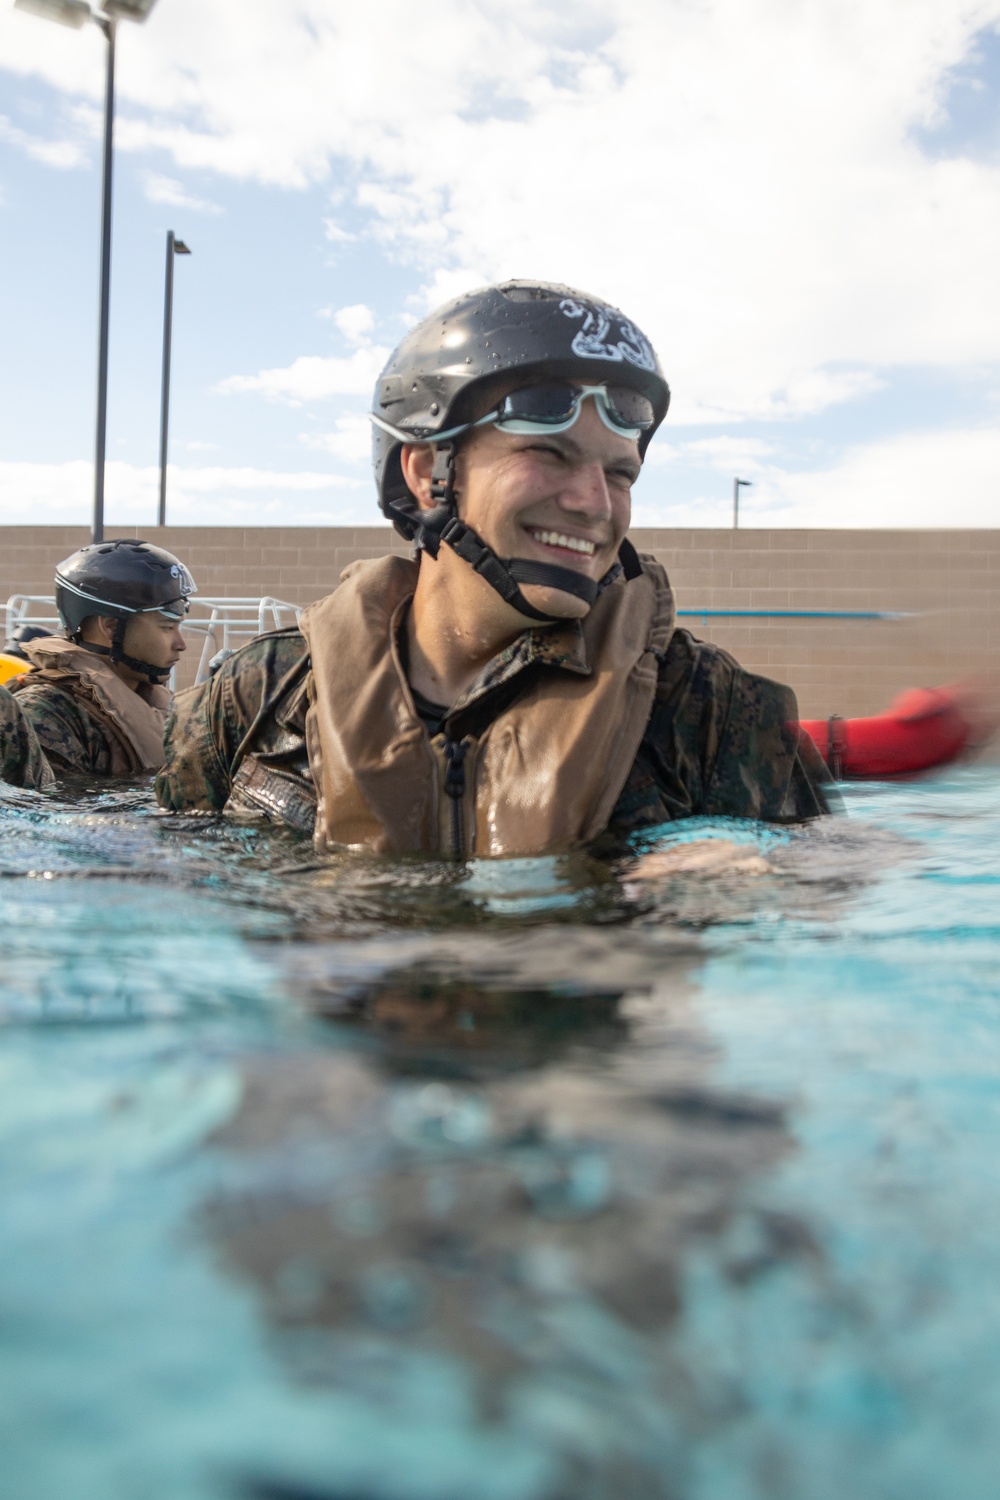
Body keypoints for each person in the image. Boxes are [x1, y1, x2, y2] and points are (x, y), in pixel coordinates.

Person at [156, 280, 830, 853]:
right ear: (428, 475)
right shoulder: (256, 698)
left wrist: (754, 879)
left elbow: (833, 890)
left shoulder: (708, 709)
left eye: (619, 472)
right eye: (552, 455)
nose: (596, 504)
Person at [10, 539, 196, 779]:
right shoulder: (46, 713)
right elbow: (55, 811)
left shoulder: (152, 703)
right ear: (110, 627)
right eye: (167, 627)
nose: (181, 645)